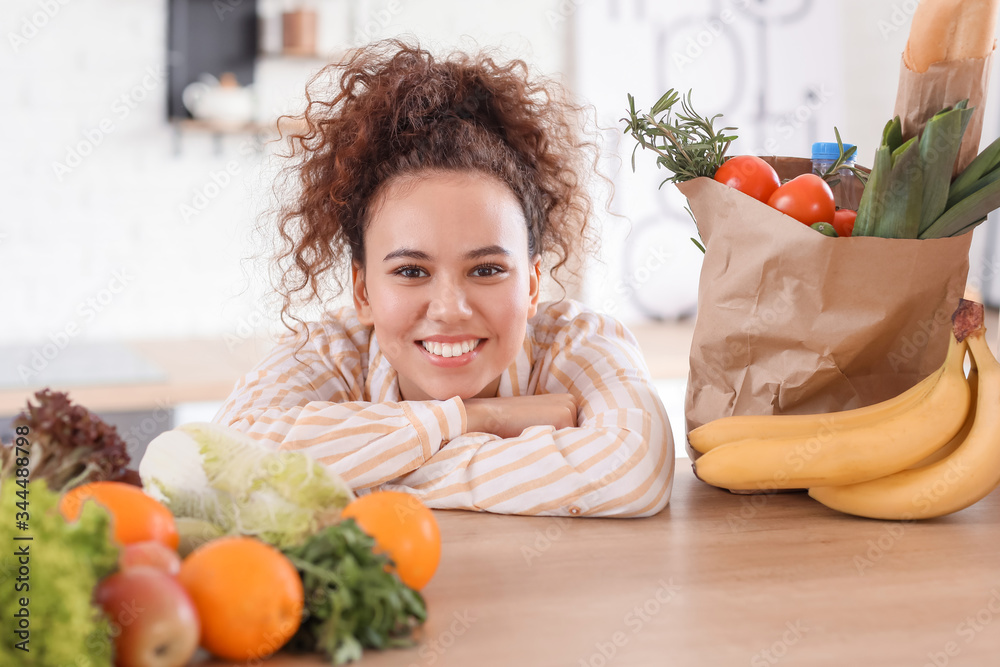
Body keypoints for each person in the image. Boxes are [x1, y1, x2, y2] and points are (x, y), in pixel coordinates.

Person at [213, 39, 674, 517]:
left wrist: (354, 472)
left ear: (533, 285)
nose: (450, 308)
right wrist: (477, 418)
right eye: (411, 271)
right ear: (363, 290)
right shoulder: (328, 354)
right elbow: (222, 460)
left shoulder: (578, 343)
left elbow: (631, 470)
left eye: (487, 270)